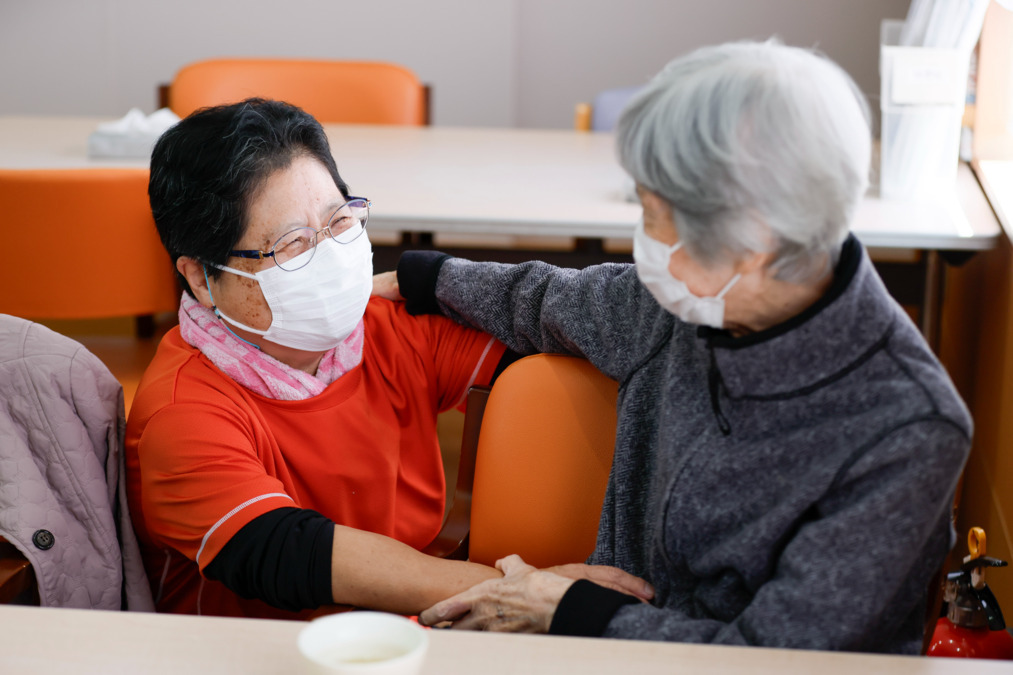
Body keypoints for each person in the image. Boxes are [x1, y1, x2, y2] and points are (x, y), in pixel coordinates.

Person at [374, 41, 972, 653]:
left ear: (755, 241)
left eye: (656, 213)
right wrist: (420, 278)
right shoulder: (686, 303)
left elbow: (781, 656)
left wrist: (571, 610)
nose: (642, 238)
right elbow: (545, 298)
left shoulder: (908, 428)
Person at [126, 99, 649, 619]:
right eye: (292, 244)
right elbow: (288, 555)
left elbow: (545, 369)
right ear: (201, 277)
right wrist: (519, 591)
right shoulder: (183, 413)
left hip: (404, 630)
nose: (330, 255)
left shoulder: (381, 327)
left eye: (339, 222)